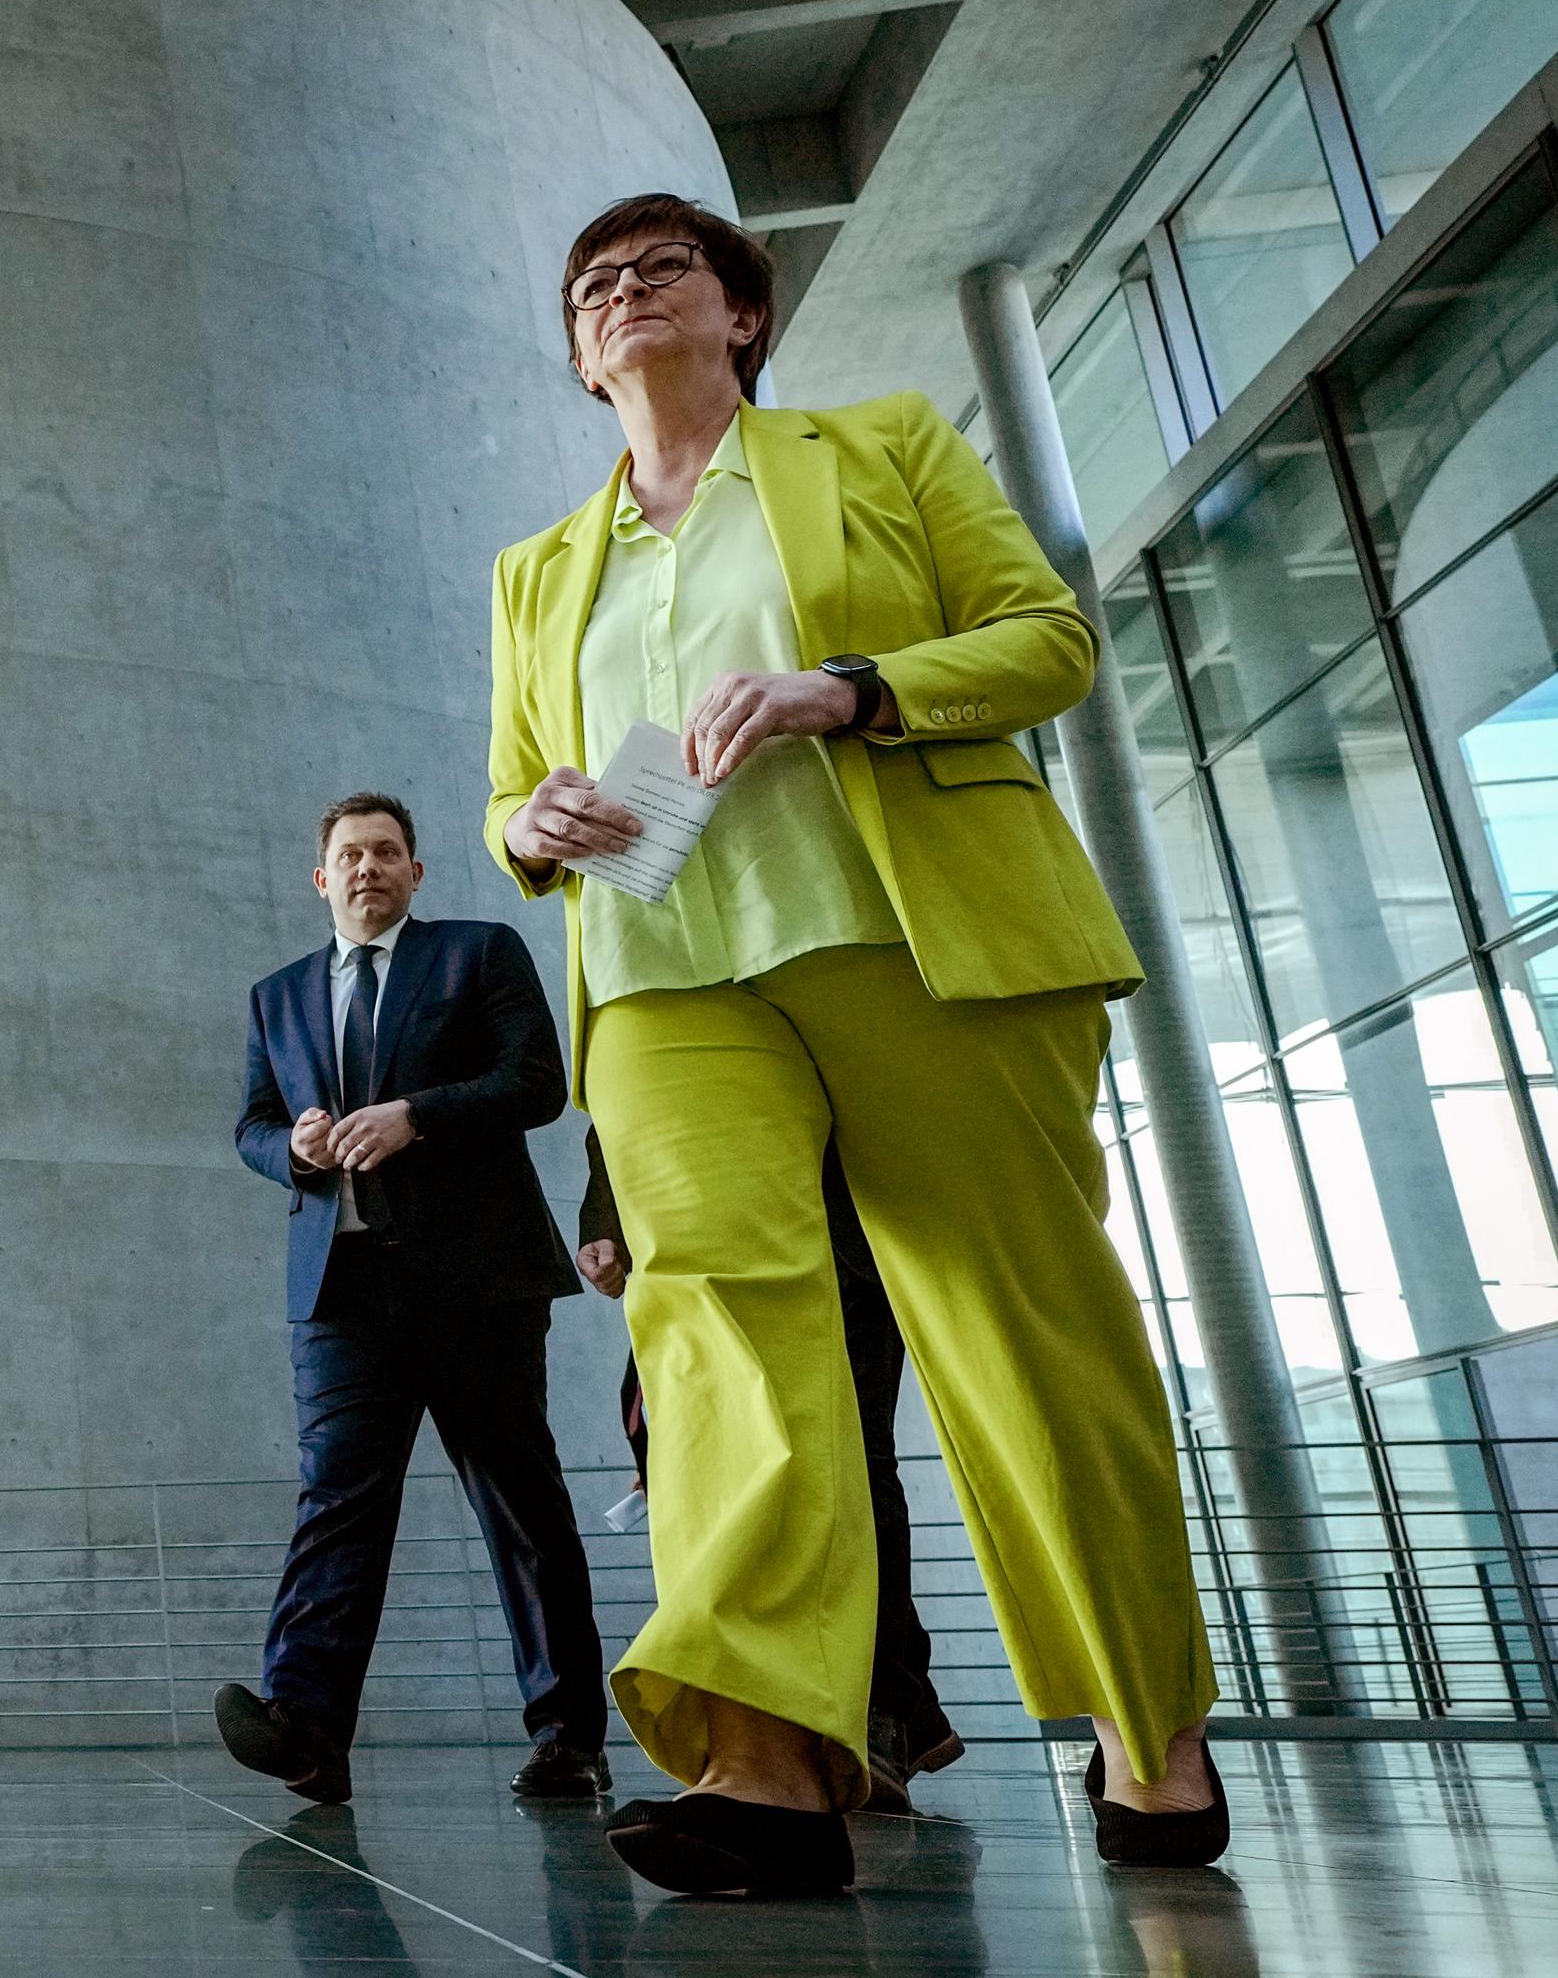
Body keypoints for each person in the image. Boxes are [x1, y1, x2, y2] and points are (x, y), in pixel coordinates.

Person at [487, 193, 1219, 1894]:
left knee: (1015, 1317)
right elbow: (510, 791)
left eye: (658, 268)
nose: (620, 295)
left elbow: (1049, 642)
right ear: (579, 358)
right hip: (667, 977)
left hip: (914, 936)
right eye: (590, 285)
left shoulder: (876, 449)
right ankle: (769, 1767)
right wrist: (537, 816)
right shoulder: (538, 571)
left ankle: (1146, 1729)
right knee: (719, 1337)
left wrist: (846, 688)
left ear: (742, 314)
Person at [220, 794, 612, 1806]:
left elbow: (534, 1083)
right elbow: (253, 1124)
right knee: (336, 1500)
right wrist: (293, 1149)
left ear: (416, 872)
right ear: (322, 879)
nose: (368, 868)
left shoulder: (478, 956)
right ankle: (306, 1727)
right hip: (340, 1287)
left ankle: (569, 1734)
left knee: (519, 1503)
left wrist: (414, 1118)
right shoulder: (278, 997)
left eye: (387, 852)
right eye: (348, 855)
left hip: (475, 1282)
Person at [575, 1132, 960, 1813]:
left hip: (830, 1243)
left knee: (859, 1467)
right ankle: (894, 1707)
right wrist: (605, 1225)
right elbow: (616, 1104)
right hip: (701, 1251)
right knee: (741, 1470)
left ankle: (886, 1713)